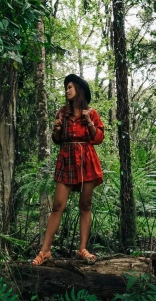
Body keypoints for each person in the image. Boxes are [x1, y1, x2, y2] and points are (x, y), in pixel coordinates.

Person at [32, 74, 105, 266]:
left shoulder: (92, 113)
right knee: (58, 205)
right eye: (66, 87)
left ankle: (83, 249)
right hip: (67, 158)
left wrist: (89, 120)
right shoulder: (62, 113)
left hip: (86, 158)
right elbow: (58, 140)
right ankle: (45, 250)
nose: (67, 89)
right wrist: (56, 130)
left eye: (70, 86)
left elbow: (98, 138)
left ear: (79, 89)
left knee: (85, 205)